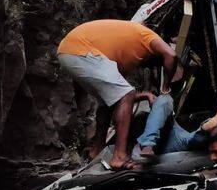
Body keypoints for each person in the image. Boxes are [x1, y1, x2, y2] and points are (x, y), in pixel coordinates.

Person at [57, 19, 178, 170]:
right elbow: (171, 55)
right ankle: (119, 156)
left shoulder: (125, 51)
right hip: (81, 50)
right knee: (126, 94)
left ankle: (96, 150)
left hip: (68, 51)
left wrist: (145, 95)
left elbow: (117, 100)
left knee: (106, 102)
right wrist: (165, 89)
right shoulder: (148, 35)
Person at [134, 95, 217, 159]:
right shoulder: (124, 90)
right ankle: (203, 129)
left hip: (166, 132)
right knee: (189, 141)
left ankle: (205, 128)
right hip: (144, 136)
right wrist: (144, 94)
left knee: (165, 99)